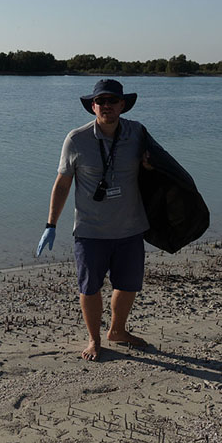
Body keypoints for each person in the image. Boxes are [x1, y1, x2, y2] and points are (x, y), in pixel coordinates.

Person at [36, 79, 152, 361]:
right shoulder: (76, 139)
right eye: (101, 101)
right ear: (92, 106)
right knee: (89, 288)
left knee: (128, 285)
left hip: (130, 228)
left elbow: (158, 170)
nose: (107, 106)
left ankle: (117, 331)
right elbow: (62, 184)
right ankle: (94, 339)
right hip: (90, 230)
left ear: (123, 105)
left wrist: (150, 166)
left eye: (113, 101)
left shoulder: (137, 133)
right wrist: (51, 225)